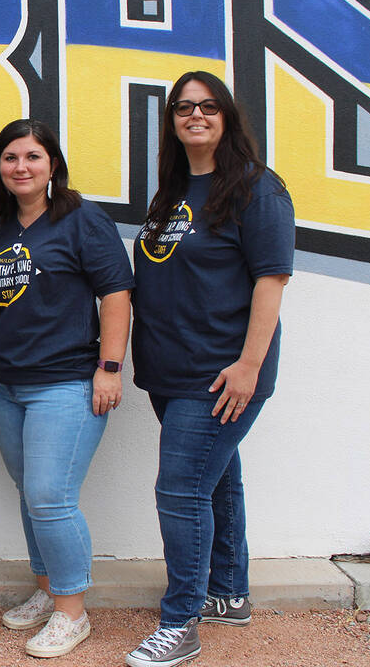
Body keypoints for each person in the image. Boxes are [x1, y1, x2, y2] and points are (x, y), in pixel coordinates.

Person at [125, 71, 294, 667]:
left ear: (227, 116)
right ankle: (227, 592)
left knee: (180, 489)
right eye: (183, 108)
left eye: (208, 106)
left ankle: (181, 621)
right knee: (216, 481)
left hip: (222, 372)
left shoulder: (256, 189)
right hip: (170, 371)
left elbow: (271, 280)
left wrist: (250, 364)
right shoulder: (172, 191)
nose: (195, 116)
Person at [0, 119, 134, 658]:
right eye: (11, 158)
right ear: (0, 169)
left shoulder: (83, 219)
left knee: (50, 497)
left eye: (32, 157)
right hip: (10, 384)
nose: (21, 166)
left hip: (66, 383)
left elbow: (116, 294)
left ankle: (72, 612)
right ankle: (46, 591)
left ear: (52, 165)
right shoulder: (1, 228)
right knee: (31, 494)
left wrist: (110, 366)